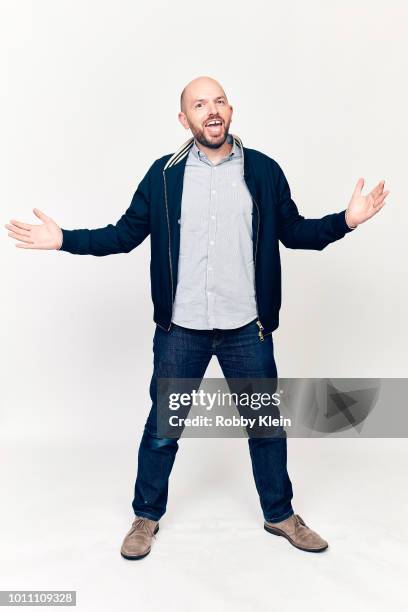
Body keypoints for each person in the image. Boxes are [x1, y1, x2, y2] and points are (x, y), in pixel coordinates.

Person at [5, 76, 389, 558]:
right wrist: (64, 239)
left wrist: (346, 221)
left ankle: (280, 515)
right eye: (200, 104)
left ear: (231, 110)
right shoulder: (164, 176)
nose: (212, 110)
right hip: (180, 330)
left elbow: (293, 231)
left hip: (246, 329)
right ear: (183, 119)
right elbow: (123, 234)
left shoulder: (264, 171)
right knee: (164, 429)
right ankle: (146, 517)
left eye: (220, 101)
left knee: (266, 427)